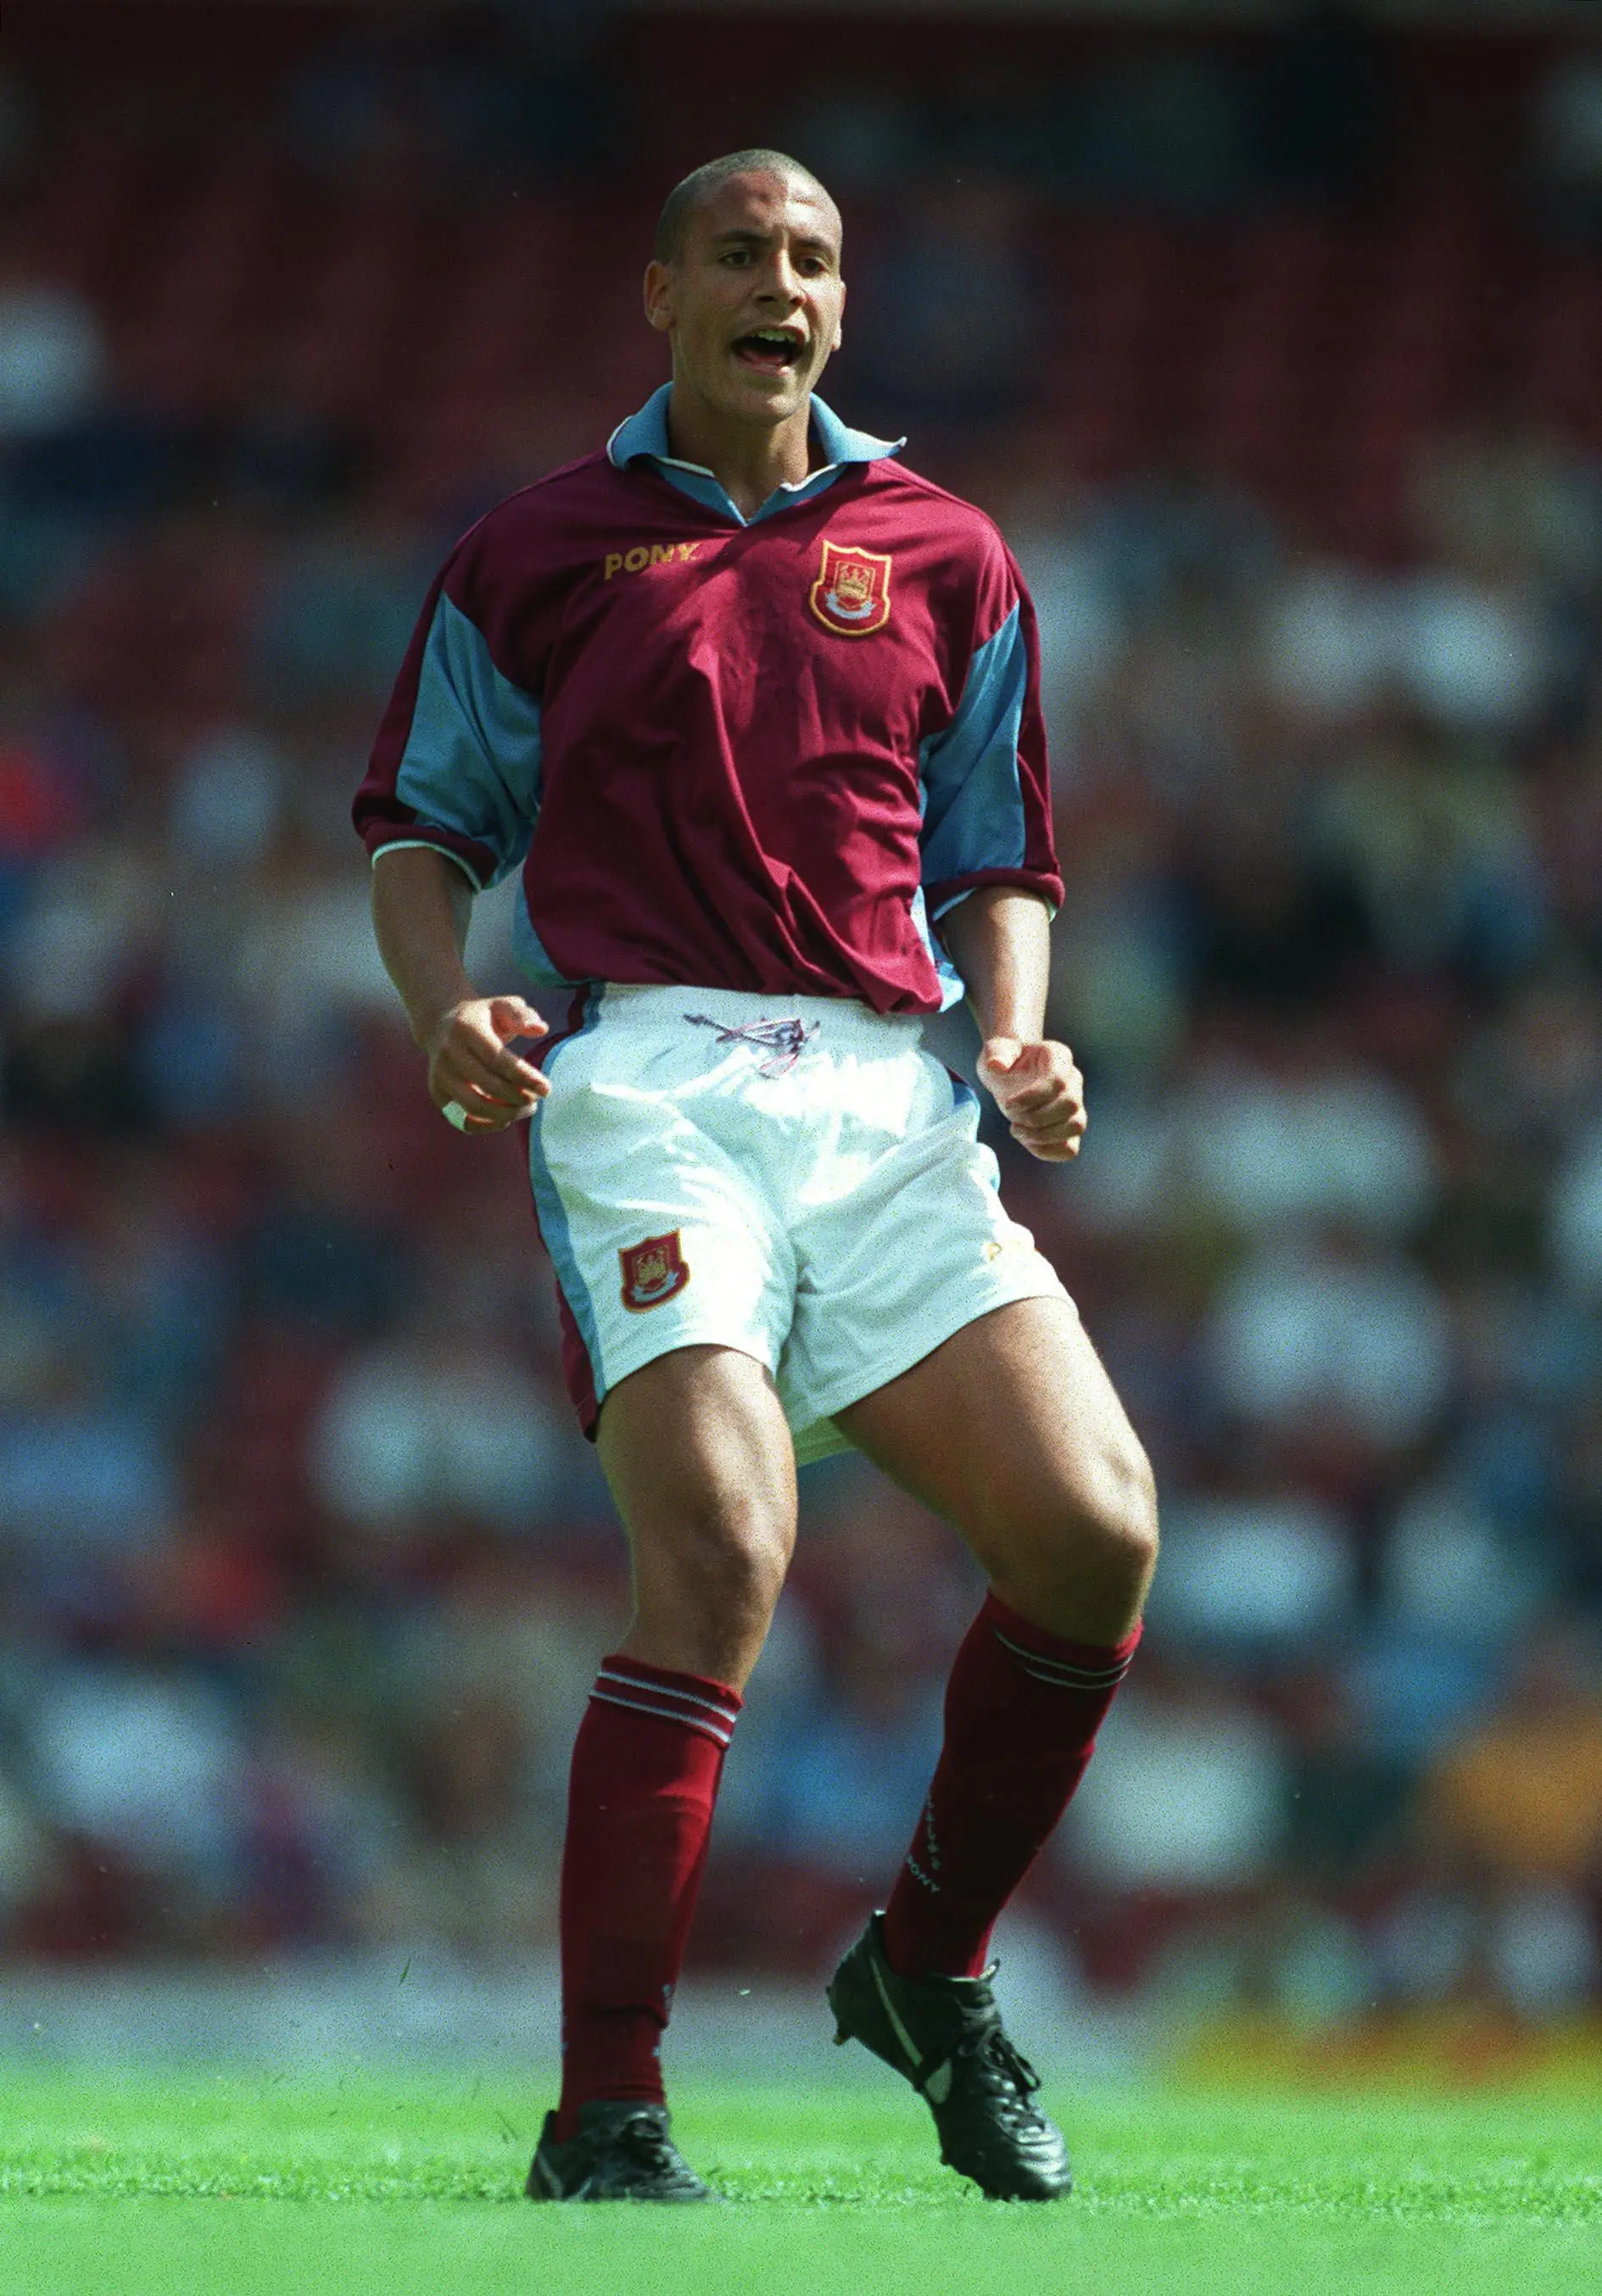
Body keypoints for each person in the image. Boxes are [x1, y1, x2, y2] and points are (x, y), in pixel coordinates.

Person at [355, 149, 1158, 2204]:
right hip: (651, 1077)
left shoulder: (946, 550)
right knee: (719, 1545)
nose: (775, 285)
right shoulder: (536, 549)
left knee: (1092, 1532)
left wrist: (1013, 1034)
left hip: (888, 1094)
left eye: (808, 257)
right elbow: (421, 830)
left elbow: (997, 855)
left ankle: (924, 1968)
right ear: (662, 292)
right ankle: (605, 2114)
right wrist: (444, 1007)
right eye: (737, 254)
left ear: (839, 302)